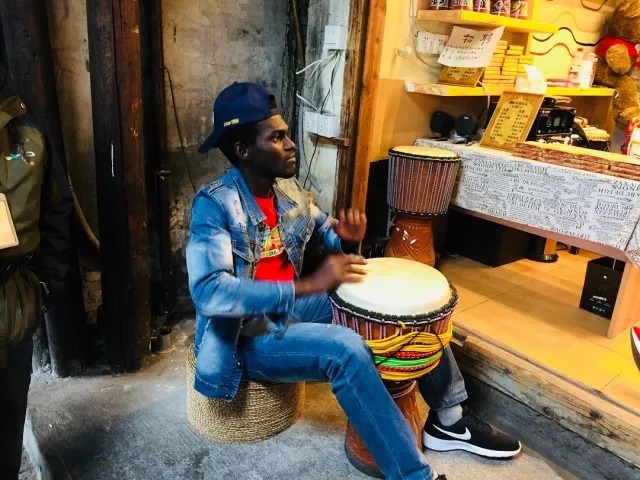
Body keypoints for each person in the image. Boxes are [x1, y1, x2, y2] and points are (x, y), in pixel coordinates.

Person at [188, 82, 521, 480]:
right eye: (276, 138)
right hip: (244, 336)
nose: (291, 145)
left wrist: (345, 237)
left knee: (403, 306)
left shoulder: (287, 190)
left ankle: (449, 421)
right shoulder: (214, 205)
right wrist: (307, 285)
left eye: (287, 134)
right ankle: (416, 476)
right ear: (244, 151)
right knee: (345, 349)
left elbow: (323, 228)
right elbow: (209, 292)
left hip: (291, 307)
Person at [0, 64, 72, 479]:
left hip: (13, 300)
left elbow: (57, 208)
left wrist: (41, 284)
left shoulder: (27, 127)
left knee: (7, 426)